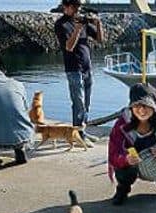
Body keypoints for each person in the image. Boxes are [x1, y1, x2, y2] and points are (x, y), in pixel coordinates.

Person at [54, 0, 103, 141]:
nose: (77, 10)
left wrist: (98, 24)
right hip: (73, 69)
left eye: (79, 7)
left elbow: (100, 40)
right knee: (78, 103)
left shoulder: (83, 22)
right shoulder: (61, 24)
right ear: (65, 7)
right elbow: (69, 47)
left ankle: (82, 132)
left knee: (86, 103)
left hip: (87, 68)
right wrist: (77, 29)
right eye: (74, 7)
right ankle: (78, 134)